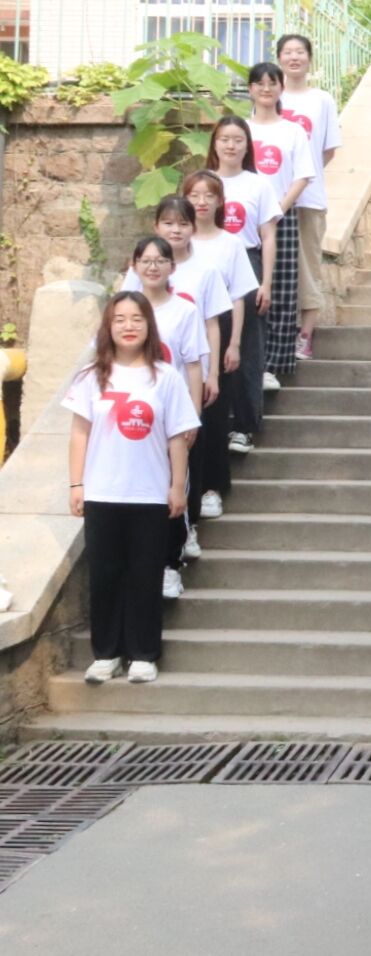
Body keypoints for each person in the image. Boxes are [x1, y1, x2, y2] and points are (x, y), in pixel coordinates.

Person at [66, 292, 200, 685]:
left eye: (137, 319)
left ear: (148, 326)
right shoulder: (91, 376)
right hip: (102, 493)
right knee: (105, 575)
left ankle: (143, 653)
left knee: (145, 574)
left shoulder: (166, 377)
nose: (128, 326)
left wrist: (177, 486)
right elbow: (79, 434)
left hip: (149, 493)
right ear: (108, 326)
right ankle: (106, 654)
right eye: (120, 319)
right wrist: (77, 484)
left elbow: (177, 437)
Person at [128, 236, 207, 601]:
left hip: (170, 416)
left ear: (172, 267)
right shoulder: (124, 311)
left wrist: (192, 416)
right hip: (131, 418)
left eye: (160, 260)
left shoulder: (184, 311)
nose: (153, 267)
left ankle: (171, 566)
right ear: (134, 266)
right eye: (145, 260)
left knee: (173, 491)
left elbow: (193, 364)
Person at [184, 171, 259, 529]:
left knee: (214, 415)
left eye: (208, 195)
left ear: (219, 201)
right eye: (194, 195)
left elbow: (238, 296)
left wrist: (234, 343)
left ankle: (212, 486)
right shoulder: (175, 243)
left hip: (219, 327)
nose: (201, 202)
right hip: (182, 331)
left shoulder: (230, 243)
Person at [207, 115, 281, 455]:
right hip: (209, 263)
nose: (231, 145)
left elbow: (268, 236)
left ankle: (244, 426)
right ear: (215, 143)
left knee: (247, 346)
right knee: (210, 345)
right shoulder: (204, 182)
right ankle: (211, 423)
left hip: (248, 264)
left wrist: (266, 282)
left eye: (238, 139)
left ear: (247, 145)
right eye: (225, 139)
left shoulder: (258, 185)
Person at [245, 62, 315, 388]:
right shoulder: (242, 130)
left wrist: (277, 210)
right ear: (250, 89)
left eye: (272, 83)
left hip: (281, 217)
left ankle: (273, 364)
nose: (266, 88)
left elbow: (302, 175)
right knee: (247, 289)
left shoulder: (293, 131)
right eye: (259, 83)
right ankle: (247, 362)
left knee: (282, 289)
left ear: (281, 88)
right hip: (243, 220)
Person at [276, 33, 341, 360]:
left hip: (309, 197)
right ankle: (278, 334)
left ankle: (305, 334)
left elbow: (327, 150)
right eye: (288, 52)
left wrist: (303, 176)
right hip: (272, 197)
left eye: (300, 51)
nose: (294, 57)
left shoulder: (321, 100)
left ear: (309, 58)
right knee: (274, 267)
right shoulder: (271, 97)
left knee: (308, 265)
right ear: (279, 59)